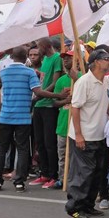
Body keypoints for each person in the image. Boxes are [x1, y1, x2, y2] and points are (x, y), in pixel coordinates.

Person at [0, 47, 66, 192]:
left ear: (11, 57)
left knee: (1, 148)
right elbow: (38, 92)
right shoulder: (29, 72)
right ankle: (19, 182)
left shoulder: (3, 73)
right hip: (23, 118)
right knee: (23, 149)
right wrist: (59, 96)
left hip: (5, 116)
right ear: (26, 58)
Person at [65, 49, 109, 218]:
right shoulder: (84, 82)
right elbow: (75, 108)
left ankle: (88, 205)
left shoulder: (106, 82)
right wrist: (79, 134)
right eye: (107, 59)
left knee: (97, 172)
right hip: (84, 136)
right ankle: (74, 207)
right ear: (96, 62)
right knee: (82, 173)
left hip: (100, 135)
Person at [30, 37, 63, 189]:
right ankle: (44, 173)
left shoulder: (56, 58)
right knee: (40, 141)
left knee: (50, 142)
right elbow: (43, 80)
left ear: (46, 46)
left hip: (49, 105)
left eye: (39, 46)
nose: (37, 50)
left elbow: (55, 81)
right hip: (39, 104)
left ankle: (53, 174)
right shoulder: (45, 61)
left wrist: (42, 93)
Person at [53, 50, 81, 190]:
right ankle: (61, 179)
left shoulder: (84, 78)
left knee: (76, 157)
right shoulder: (61, 80)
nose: (65, 61)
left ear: (77, 60)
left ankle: (74, 181)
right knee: (62, 155)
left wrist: (76, 80)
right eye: (64, 59)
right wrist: (65, 100)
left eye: (68, 58)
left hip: (77, 127)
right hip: (63, 124)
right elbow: (54, 102)